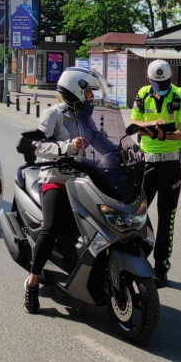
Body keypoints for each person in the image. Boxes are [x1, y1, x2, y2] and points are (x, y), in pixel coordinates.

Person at [23, 67, 111, 314]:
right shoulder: (53, 114)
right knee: (51, 227)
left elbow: (98, 139)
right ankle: (33, 279)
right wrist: (67, 147)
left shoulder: (84, 116)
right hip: (55, 179)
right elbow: (38, 145)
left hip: (82, 181)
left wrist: (122, 152)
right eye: (90, 92)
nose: (92, 97)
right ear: (77, 90)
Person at [130, 60, 181, 288]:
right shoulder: (143, 94)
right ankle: (140, 254)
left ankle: (161, 269)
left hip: (170, 165)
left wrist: (163, 135)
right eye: (157, 83)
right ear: (149, 79)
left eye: (164, 82)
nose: (160, 86)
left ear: (172, 76)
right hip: (146, 163)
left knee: (167, 217)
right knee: (137, 213)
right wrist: (150, 123)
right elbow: (133, 120)